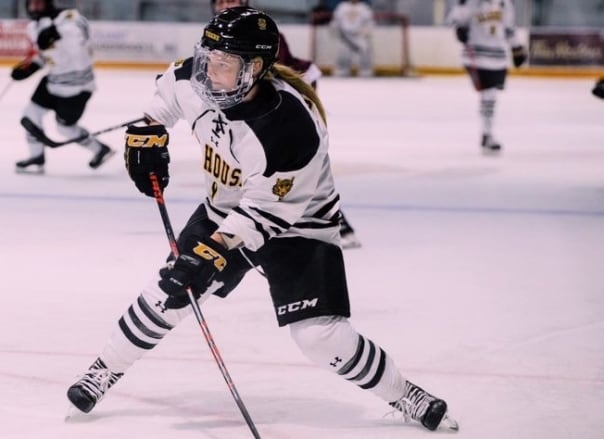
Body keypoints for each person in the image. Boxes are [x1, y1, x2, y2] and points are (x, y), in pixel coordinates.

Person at [66, 7, 458, 433]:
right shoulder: (195, 78)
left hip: (298, 226)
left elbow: (269, 211)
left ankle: (405, 394)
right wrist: (149, 131)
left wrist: (212, 250)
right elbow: (165, 96)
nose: (208, 72)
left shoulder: (289, 127)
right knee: (168, 294)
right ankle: (104, 369)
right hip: (223, 209)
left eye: (223, 64)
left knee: (319, 338)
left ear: (254, 69)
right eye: (207, 58)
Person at [212, 0, 361, 249]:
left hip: (282, 109)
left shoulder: (260, 34)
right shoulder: (216, 36)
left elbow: (270, 79)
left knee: (296, 169)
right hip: (256, 113)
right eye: (221, 1)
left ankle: (334, 222)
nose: (227, 5)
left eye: (233, 0)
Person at [11, 0, 113, 173]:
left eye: (39, 4)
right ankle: (37, 157)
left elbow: (79, 35)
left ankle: (100, 149)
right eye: (32, 4)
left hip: (78, 86)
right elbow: (49, 54)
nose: (35, 8)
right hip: (53, 81)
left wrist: (56, 31)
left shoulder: (68, 16)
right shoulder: (33, 27)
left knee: (65, 129)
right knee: (30, 115)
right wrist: (31, 66)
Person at [447, 0, 526, 154]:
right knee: (488, 94)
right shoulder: (470, 2)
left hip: (497, 58)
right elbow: (454, 17)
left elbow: (509, 28)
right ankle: (487, 133)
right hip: (476, 55)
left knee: (490, 96)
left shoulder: (505, 4)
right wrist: (459, 28)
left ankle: (487, 133)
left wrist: (516, 47)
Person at [330, 0, 375, 77]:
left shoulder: (364, 8)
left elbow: (369, 22)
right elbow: (336, 21)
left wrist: (365, 32)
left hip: (359, 36)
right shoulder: (342, 7)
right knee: (343, 54)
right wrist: (335, 29)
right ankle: (342, 70)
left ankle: (365, 71)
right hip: (345, 36)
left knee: (365, 51)